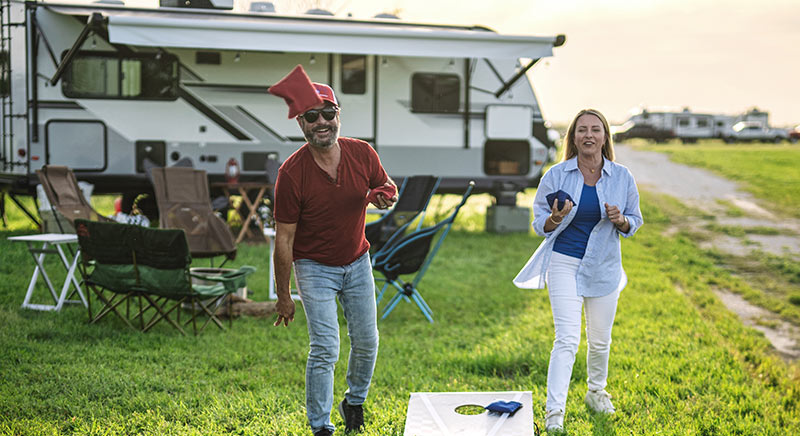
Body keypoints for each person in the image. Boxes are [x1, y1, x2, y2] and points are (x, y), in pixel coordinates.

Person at [271, 75, 397, 436]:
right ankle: (320, 426)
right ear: (301, 123)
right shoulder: (292, 174)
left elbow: (387, 186)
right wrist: (284, 296)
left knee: (367, 340)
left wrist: (387, 194)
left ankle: (354, 402)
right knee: (325, 347)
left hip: (357, 260)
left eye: (328, 113)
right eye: (312, 116)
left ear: (338, 115)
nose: (321, 122)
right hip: (313, 267)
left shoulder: (362, 152)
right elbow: (284, 240)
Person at [513, 108, 643, 432]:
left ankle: (596, 392)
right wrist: (555, 218)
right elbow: (539, 222)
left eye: (595, 129)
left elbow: (635, 221)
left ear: (604, 137)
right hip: (564, 262)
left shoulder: (622, 176)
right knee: (567, 339)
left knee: (600, 341)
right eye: (581, 129)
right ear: (573, 137)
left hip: (604, 265)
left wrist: (621, 220)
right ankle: (554, 413)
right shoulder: (557, 175)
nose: (588, 135)